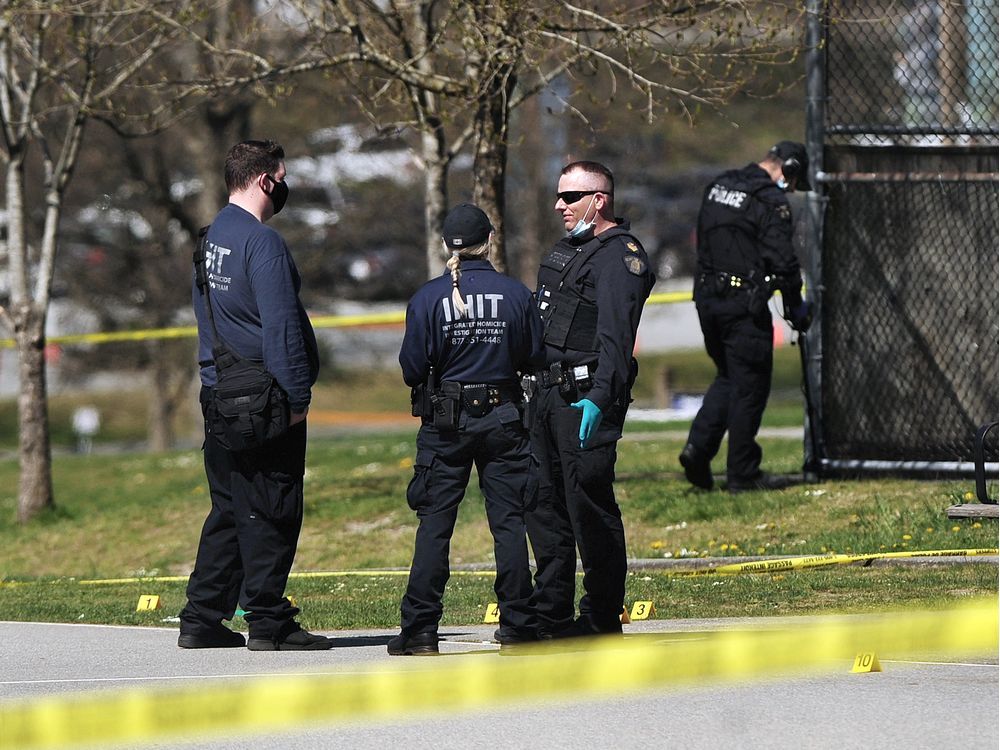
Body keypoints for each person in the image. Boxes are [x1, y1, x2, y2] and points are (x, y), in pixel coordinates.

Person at [179, 139, 330, 651]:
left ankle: (201, 618)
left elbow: (208, 320)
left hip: (219, 392)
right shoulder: (262, 243)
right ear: (267, 180)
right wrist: (297, 399)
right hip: (265, 400)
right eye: (283, 176)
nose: (285, 185)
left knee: (229, 506)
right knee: (273, 507)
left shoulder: (212, 236)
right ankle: (268, 621)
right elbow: (281, 328)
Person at [390, 203, 545, 655]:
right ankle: (517, 625)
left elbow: (412, 368)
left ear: (445, 246)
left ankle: (420, 631)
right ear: (490, 241)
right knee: (509, 523)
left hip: (446, 423)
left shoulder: (426, 298)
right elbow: (534, 356)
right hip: (503, 417)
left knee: (435, 526)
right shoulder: (515, 295)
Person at [524, 161, 655, 639]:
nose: (560, 206)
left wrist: (601, 399)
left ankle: (600, 616)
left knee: (589, 507)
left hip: (585, 398)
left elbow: (616, 342)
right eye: (558, 197)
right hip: (546, 396)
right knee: (543, 505)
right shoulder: (569, 251)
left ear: (599, 199)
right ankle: (551, 613)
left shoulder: (620, 258)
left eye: (571, 197)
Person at [679, 141, 813, 494]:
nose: (793, 190)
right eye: (796, 182)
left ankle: (698, 450)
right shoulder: (770, 199)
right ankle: (743, 473)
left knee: (729, 376)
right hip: (743, 304)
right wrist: (794, 305)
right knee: (751, 385)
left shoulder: (720, 185)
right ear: (790, 168)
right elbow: (784, 262)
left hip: (707, 299)